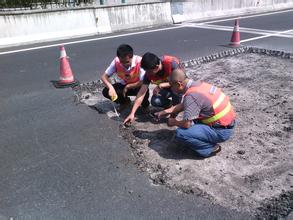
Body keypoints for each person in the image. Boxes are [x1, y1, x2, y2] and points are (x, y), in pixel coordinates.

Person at [155, 68, 236, 157]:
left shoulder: (192, 96)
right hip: (227, 123)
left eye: (171, 86)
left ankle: (210, 148)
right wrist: (164, 112)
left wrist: (174, 122)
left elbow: (187, 124)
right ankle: (204, 134)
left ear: (179, 84)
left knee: (181, 133)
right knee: (193, 120)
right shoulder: (200, 85)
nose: (171, 89)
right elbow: (185, 104)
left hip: (221, 131)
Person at [123, 52, 182, 124]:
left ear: (157, 67)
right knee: (155, 101)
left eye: (149, 72)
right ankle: (169, 105)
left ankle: (175, 111)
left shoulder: (171, 64)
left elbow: (181, 82)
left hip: (178, 87)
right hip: (167, 88)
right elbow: (141, 93)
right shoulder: (149, 72)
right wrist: (132, 113)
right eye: (146, 71)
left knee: (176, 92)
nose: (148, 74)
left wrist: (162, 85)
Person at [101, 44, 149, 112]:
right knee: (106, 91)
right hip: (124, 84)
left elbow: (143, 81)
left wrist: (129, 86)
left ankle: (145, 106)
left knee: (145, 91)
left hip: (138, 85)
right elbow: (104, 76)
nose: (124, 64)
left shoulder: (140, 61)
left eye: (127, 62)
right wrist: (111, 88)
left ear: (131, 57)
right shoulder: (116, 61)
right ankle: (124, 102)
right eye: (122, 62)